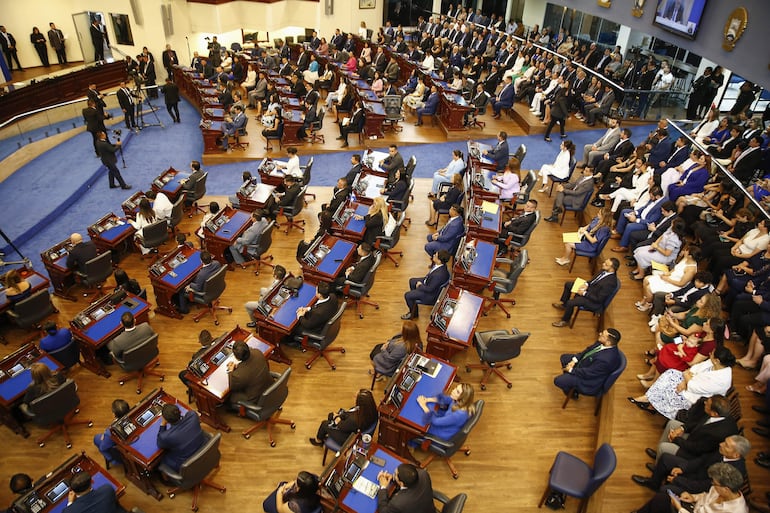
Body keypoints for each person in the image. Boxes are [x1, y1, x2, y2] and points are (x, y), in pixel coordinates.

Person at [629, 346, 736, 419]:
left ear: (717, 360)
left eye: (712, 354)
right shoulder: (714, 363)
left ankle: (648, 400)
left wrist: (686, 378)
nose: (709, 355)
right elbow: (695, 368)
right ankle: (649, 400)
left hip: (696, 397)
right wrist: (686, 378)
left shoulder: (720, 380)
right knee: (670, 373)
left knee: (671, 388)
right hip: (689, 382)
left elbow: (695, 387)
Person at [632, 462, 746, 513]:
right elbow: (706, 495)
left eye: (714, 483)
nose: (712, 485)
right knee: (661, 498)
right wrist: (693, 497)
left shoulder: (735, 511)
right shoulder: (720, 489)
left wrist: (680, 509)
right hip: (694, 507)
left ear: (726, 489)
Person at [552, 257, 620, 327]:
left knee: (571, 303)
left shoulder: (610, 283)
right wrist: (586, 284)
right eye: (604, 262)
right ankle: (564, 304)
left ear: (612, 268)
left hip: (593, 301)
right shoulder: (604, 270)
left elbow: (599, 299)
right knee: (568, 285)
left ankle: (565, 320)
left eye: (606, 264)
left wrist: (584, 293)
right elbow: (593, 280)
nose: (603, 264)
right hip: (589, 290)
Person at [554, 328, 622, 397]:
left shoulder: (605, 360)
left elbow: (589, 373)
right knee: (564, 358)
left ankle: (572, 392)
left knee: (558, 381)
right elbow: (588, 350)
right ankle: (569, 381)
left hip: (588, 380)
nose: (600, 334)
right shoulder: (602, 342)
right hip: (586, 364)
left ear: (608, 342)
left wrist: (571, 370)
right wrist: (574, 361)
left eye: (602, 335)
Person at [309, 389, 378, 446]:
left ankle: (319, 441)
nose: (353, 397)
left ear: (360, 402)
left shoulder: (354, 420)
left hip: (348, 438)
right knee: (330, 415)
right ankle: (328, 432)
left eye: (355, 397)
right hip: (355, 429)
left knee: (324, 424)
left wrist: (337, 418)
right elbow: (350, 414)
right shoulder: (372, 410)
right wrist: (340, 416)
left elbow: (341, 426)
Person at [402, 250, 451, 319]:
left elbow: (430, 289)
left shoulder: (439, 275)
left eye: (435, 256)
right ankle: (414, 303)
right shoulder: (441, 265)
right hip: (428, 282)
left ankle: (413, 314)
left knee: (408, 295)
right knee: (412, 281)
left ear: (439, 261)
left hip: (430, 295)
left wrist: (420, 286)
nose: (433, 255)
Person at [156, 403, 206, 472]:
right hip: (203, 447)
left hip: (187, 462)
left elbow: (160, 444)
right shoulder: (193, 415)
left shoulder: (165, 437)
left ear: (166, 420)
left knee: (162, 460)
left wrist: (163, 424)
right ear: (180, 412)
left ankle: (166, 480)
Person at [227, 341, 271, 408]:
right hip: (268, 385)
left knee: (231, 397)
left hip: (256, 398)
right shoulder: (257, 352)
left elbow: (232, 387)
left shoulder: (239, 375)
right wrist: (238, 366)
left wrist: (230, 370)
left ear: (236, 357)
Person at [63, 471, 127, 513]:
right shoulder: (107, 489)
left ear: (73, 491)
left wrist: (70, 503)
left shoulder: (69, 511)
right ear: (91, 482)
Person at [93, 399, 130, 466]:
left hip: (122, 452)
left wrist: (105, 434)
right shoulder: (132, 417)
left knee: (96, 438)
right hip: (128, 444)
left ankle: (112, 460)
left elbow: (103, 447)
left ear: (114, 414)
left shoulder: (110, 432)